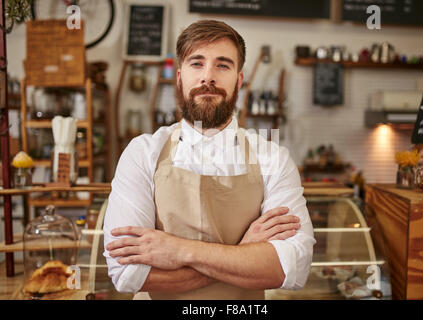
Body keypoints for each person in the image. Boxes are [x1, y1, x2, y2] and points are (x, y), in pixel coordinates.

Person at [104, 20, 316, 300]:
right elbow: (127, 273)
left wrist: (177, 250)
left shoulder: (273, 157)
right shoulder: (143, 152)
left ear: (239, 81)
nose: (208, 77)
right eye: (197, 63)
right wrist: (243, 251)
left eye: (223, 65)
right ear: (179, 78)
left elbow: (290, 269)